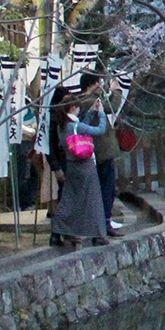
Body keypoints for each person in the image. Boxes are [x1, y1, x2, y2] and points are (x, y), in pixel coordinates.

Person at [48, 84, 111, 248]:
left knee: (68, 200)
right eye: (78, 107)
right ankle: (98, 234)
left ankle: (56, 233)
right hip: (85, 165)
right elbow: (99, 130)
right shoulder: (74, 126)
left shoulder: (63, 125)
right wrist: (102, 114)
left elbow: (81, 126)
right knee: (94, 201)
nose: (79, 109)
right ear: (73, 107)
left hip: (71, 165)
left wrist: (91, 112)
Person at [79, 72, 124, 236]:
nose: (101, 86)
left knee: (103, 188)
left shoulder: (84, 101)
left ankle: (102, 222)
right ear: (92, 85)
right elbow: (111, 107)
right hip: (101, 152)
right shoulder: (89, 101)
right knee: (106, 188)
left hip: (97, 152)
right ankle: (104, 223)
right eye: (99, 83)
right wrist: (117, 91)